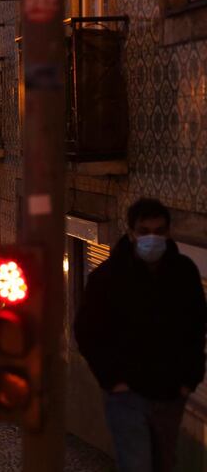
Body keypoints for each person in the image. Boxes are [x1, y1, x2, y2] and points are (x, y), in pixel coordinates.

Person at [74, 198, 206, 472]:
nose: (152, 238)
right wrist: (112, 379)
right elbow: (87, 330)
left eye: (159, 231)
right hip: (127, 394)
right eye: (145, 231)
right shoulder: (108, 276)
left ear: (168, 232)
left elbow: (196, 326)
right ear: (132, 232)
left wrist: (189, 379)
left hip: (171, 393)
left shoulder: (183, 273)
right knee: (136, 464)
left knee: (164, 463)